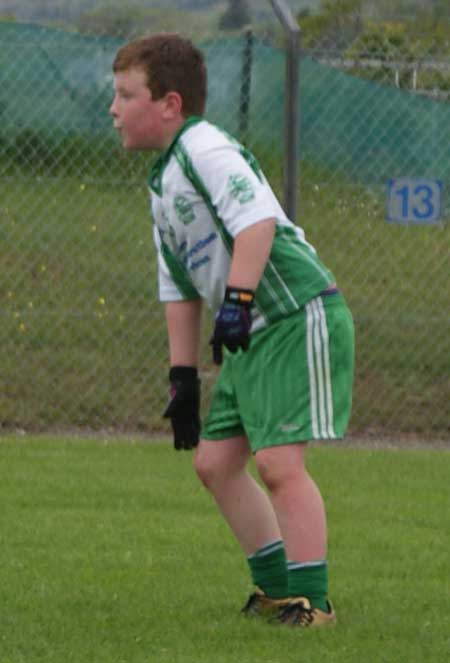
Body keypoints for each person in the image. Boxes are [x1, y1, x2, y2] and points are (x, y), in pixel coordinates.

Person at [110, 32, 354, 628]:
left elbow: (256, 223)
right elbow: (180, 288)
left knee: (278, 464)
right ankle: (275, 595)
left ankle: (313, 603)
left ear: (169, 104)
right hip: (250, 329)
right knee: (214, 464)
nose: (113, 108)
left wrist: (239, 301)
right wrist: (182, 377)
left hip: (294, 315)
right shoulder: (161, 181)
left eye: (124, 94)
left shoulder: (205, 147)